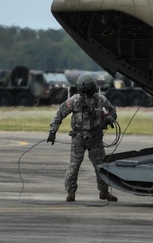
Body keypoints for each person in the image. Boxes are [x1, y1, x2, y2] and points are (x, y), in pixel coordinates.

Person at [47, 73, 118, 202]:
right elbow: (60, 114)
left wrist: (108, 120)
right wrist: (52, 131)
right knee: (91, 166)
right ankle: (75, 193)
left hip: (92, 138)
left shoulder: (92, 100)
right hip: (82, 138)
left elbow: (112, 113)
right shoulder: (87, 100)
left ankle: (94, 192)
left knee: (95, 165)